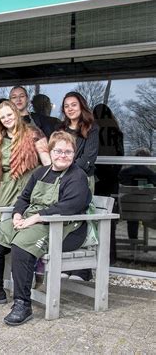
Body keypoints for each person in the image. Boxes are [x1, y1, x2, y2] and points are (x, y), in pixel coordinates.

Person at [0, 131, 91, 326]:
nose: (63, 155)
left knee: (22, 244)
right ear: (50, 152)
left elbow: (70, 207)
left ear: (74, 154)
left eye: (68, 152)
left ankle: (22, 304)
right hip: (31, 220)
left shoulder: (77, 177)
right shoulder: (40, 173)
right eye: (58, 151)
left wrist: (35, 218)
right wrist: (18, 214)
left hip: (62, 226)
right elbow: (24, 198)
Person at [0, 101, 51, 220]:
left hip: (30, 183)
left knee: (27, 218)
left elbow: (47, 163)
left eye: (9, 115)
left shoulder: (33, 132)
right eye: (3, 117)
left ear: (16, 114)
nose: (7, 119)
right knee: (3, 220)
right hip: (7, 186)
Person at [60, 91, 99, 281]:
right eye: (66, 106)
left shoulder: (91, 129)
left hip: (82, 179)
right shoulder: (61, 130)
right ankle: (67, 265)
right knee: (66, 220)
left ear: (81, 106)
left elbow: (88, 158)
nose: (70, 109)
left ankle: (83, 270)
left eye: (73, 104)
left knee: (81, 219)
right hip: (63, 181)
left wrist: (68, 170)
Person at [93, 103, 124, 263]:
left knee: (92, 217)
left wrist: (96, 175)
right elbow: (120, 157)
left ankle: (95, 256)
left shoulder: (94, 130)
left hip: (97, 179)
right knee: (109, 220)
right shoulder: (117, 132)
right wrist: (113, 176)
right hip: (111, 180)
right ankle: (110, 257)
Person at [118, 148, 156, 240]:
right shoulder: (151, 174)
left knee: (132, 216)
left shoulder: (124, 173)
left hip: (128, 211)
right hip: (147, 211)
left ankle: (133, 241)